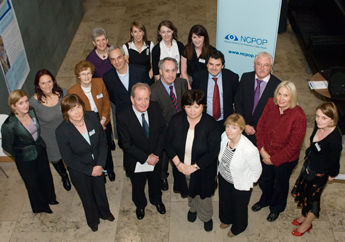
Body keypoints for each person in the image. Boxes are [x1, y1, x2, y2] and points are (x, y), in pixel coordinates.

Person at [55, 94, 114, 232]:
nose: (77, 112)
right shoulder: (62, 131)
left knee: (100, 191)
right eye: (72, 110)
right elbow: (68, 159)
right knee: (86, 196)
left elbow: (102, 143)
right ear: (65, 113)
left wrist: (99, 165)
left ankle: (105, 213)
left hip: (97, 165)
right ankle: (92, 220)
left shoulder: (92, 117)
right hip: (79, 170)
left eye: (78, 107)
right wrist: (90, 170)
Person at [165, 89, 220, 232]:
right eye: (189, 106)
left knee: (204, 196)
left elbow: (213, 152)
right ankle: (192, 208)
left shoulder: (211, 124)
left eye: (197, 106)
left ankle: (206, 216)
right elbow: (168, 143)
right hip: (182, 167)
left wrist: (194, 167)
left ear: (203, 107)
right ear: (184, 106)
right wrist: (178, 163)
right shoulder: (176, 120)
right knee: (189, 190)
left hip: (203, 169)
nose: (193, 111)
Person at [252, 81, 307, 222]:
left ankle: (276, 208)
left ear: (292, 97)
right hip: (266, 153)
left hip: (285, 160)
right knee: (265, 179)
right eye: (279, 93)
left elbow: (293, 146)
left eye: (286, 95)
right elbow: (261, 126)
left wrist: (273, 160)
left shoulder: (298, 116)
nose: (281, 98)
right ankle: (265, 200)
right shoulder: (271, 103)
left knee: (280, 185)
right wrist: (262, 150)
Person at [1, 90, 58, 214]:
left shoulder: (31, 111)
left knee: (46, 177)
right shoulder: (8, 125)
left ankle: (50, 198)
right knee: (33, 183)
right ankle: (41, 207)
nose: (26, 105)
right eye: (21, 103)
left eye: (26, 101)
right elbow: (7, 147)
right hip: (24, 158)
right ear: (13, 106)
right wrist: (21, 154)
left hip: (40, 150)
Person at [291, 102, 343, 236]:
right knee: (304, 194)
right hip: (309, 166)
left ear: (332, 119)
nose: (319, 120)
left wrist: (332, 174)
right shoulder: (318, 125)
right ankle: (304, 216)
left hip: (319, 174)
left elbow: (334, 161)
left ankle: (307, 223)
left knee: (313, 199)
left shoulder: (334, 140)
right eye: (317, 116)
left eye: (324, 118)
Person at [116, 83, 167, 220]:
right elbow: (126, 144)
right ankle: (140, 205)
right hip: (136, 160)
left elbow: (163, 131)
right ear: (132, 99)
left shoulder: (155, 107)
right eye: (139, 99)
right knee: (138, 185)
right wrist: (146, 158)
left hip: (155, 157)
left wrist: (156, 154)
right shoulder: (123, 116)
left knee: (155, 182)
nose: (144, 103)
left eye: (146, 99)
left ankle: (156, 200)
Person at [68, 60, 115, 182]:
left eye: (88, 73)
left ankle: (110, 169)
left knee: (106, 147)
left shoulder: (99, 82)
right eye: (83, 74)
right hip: (87, 125)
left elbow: (106, 102)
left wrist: (103, 120)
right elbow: (77, 113)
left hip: (104, 122)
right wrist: (95, 125)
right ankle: (101, 172)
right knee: (94, 150)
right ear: (78, 75)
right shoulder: (73, 91)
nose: (86, 77)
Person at [218, 114, 262, 237]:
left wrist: (248, 181)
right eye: (227, 126)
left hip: (239, 184)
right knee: (225, 201)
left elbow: (257, 171)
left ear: (241, 130)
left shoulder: (249, 149)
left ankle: (238, 227)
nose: (229, 131)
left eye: (234, 128)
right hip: (224, 178)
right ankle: (226, 219)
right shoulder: (224, 137)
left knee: (239, 208)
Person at [150, 57, 188, 191]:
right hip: (164, 130)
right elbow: (155, 118)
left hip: (183, 127)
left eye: (173, 70)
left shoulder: (182, 83)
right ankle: (163, 177)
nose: (171, 74)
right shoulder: (153, 91)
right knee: (164, 157)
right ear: (160, 71)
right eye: (167, 71)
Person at [29, 69, 71, 191]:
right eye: (43, 83)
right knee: (56, 159)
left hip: (66, 133)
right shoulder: (33, 103)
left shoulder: (64, 93)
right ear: (38, 85)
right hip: (49, 137)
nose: (47, 86)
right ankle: (64, 176)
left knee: (71, 155)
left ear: (54, 81)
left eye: (49, 81)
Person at [234, 52, 281, 146]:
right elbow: (238, 102)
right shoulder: (246, 78)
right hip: (242, 128)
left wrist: (256, 128)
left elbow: (275, 114)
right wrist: (245, 124)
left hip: (262, 134)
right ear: (254, 66)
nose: (262, 68)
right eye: (259, 64)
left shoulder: (277, 85)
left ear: (271, 67)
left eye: (266, 65)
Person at [192, 49, 239, 132]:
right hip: (204, 120)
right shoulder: (198, 77)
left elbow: (237, 100)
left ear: (222, 66)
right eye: (211, 64)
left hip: (225, 122)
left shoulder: (232, 78)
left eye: (217, 65)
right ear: (206, 64)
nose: (214, 68)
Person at [103, 45, 151, 116]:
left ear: (125, 57)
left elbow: (148, 91)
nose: (117, 62)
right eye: (113, 59)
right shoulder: (107, 77)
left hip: (143, 113)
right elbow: (112, 98)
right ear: (110, 61)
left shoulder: (140, 71)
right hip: (123, 116)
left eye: (119, 57)